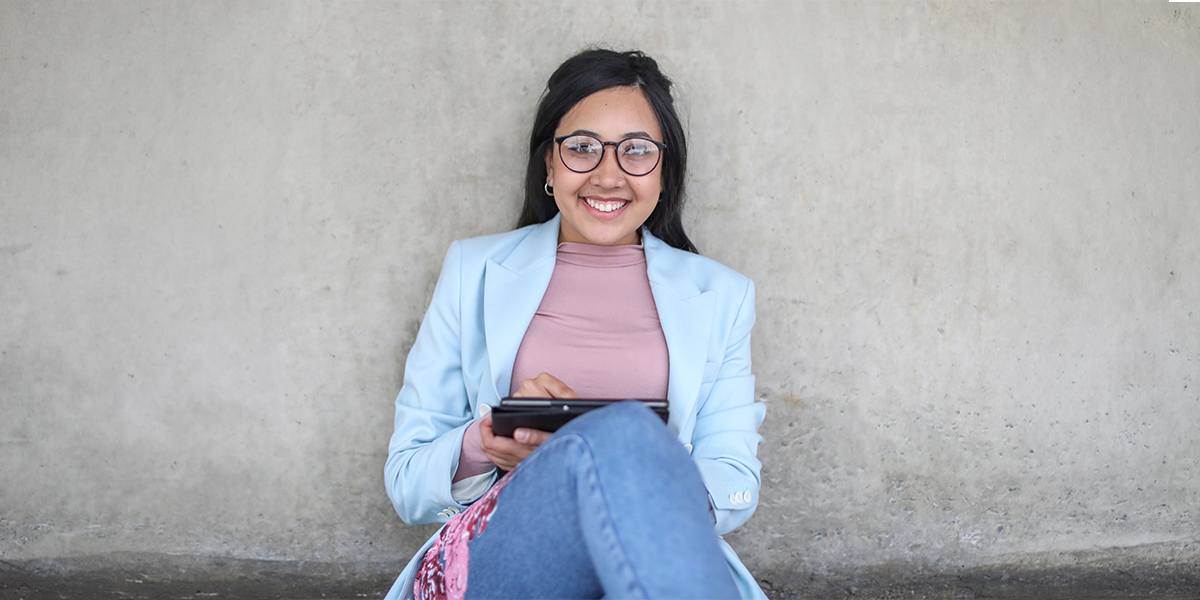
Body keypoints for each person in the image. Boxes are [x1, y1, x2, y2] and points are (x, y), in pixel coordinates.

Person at [383, 49, 767, 600]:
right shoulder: (473, 270)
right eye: (582, 148)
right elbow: (406, 481)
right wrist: (485, 444)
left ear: (664, 172)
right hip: (503, 551)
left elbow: (735, 482)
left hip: (652, 552)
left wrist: (622, 468)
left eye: (636, 151)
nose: (608, 175)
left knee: (625, 438)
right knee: (626, 431)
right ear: (549, 164)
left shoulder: (722, 295)